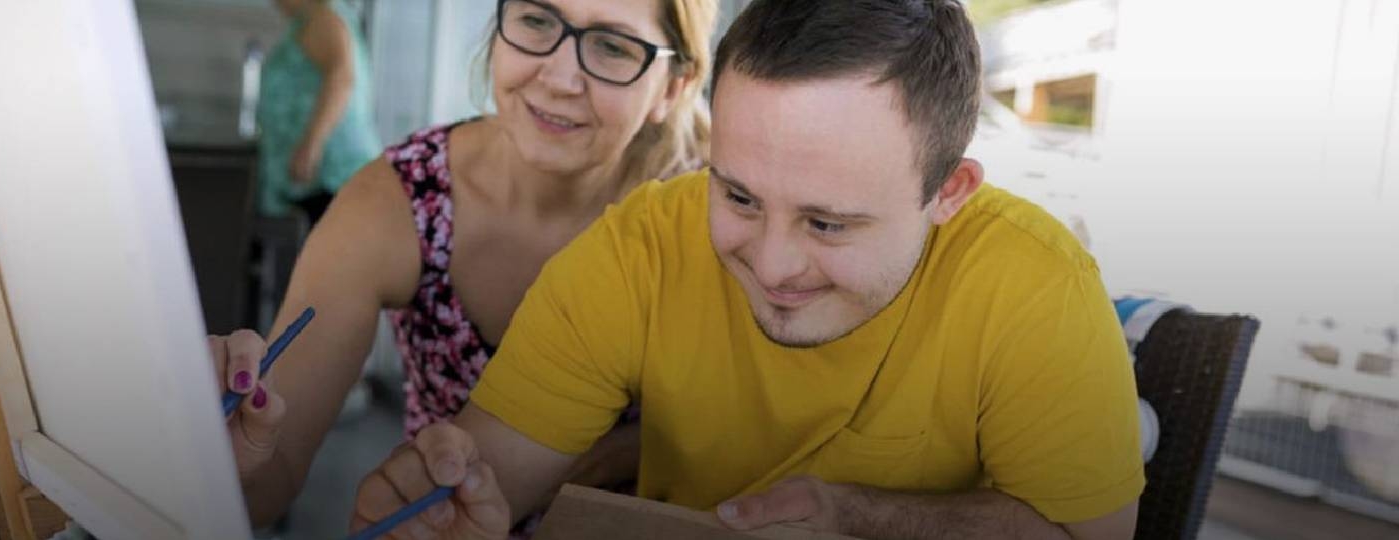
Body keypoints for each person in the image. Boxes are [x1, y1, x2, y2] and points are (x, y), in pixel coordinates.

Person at [346, 1, 1144, 539]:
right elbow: (486, 478)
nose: (770, 263)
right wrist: (443, 505)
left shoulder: (1034, 286)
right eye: (737, 195)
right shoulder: (642, 248)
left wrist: (860, 518)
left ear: (949, 193)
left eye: (828, 223)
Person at [210, 0, 719, 530]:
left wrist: (616, 455)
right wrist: (228, 447)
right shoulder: (402, 199)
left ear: (673, 87)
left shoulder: (725, 222)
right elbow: (270, 476)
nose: (559, 78)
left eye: (612, 47)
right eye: (537, 20)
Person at [257, 0, 382, 225]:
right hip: (320, 179)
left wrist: (311, 146)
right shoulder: (312, 19)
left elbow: (342, 79)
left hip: (331, 174)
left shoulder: (322, 18)